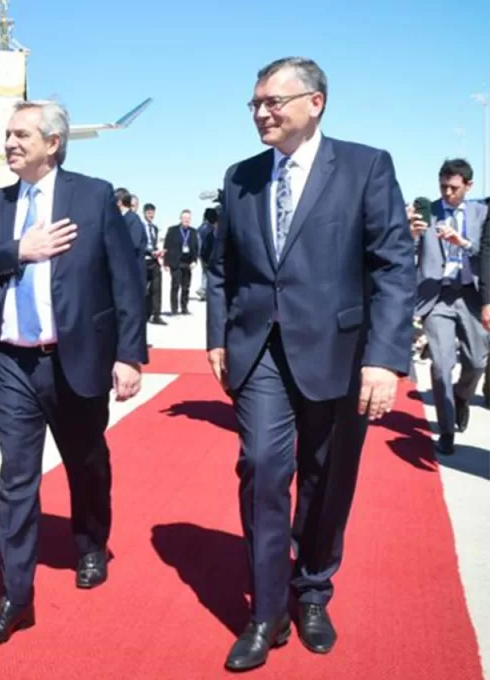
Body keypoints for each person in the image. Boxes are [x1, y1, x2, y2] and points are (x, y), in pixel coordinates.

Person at [205, 57, 414, 672]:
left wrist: (384, 358)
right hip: (259, 351)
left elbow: (393, 266)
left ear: (315, 102)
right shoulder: (240, 177)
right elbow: (223, 267)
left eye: (274, 101)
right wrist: (218, 335)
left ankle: (314, 588)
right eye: (255, 104)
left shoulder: (364, 166)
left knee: (326, 479)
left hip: (340, 353)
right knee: (263, 468)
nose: (262, 112)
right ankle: (266, 611)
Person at [0, 99, 146, 648]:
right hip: (12, 360)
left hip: (75, 357)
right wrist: (20, 250)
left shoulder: (93, 195)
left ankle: (89, 543)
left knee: (87, 461)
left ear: (53, 143)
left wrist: (129, 355)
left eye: (20, 135)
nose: (9, 143)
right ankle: (16, 597)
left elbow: (124, 280)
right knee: (16, 478)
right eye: (7, 135)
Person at [413, 159, 487, 456]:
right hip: (437, 296)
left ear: (468, 186)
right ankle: (445, 431)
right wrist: (411, 234)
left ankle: (462, 396)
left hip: (471, 295)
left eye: (454, 188)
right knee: (442, 366)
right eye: (442, 186)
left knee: (478, 362)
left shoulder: (483, 213)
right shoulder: (427, 212)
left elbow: (487, 252)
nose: (447, 193)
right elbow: (404, 253)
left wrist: (464, 243)